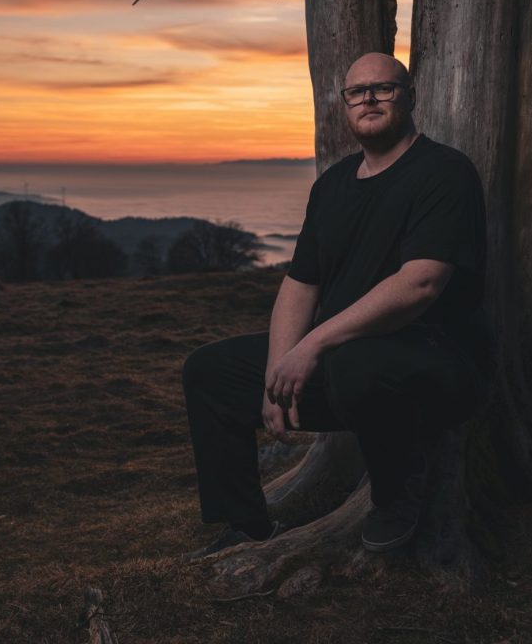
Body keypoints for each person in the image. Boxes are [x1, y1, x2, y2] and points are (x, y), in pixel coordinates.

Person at [182, 52, 490, 557]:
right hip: (349, 368)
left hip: (438, 366)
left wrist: (312, 346)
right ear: (345, 105)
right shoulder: (332, 186)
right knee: (210, 371)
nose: (368, 98)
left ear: (409, 97)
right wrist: (276, 375)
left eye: (383, 88)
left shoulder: (444, 172)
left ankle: (396, 496)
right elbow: (299, 284)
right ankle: (247, 526)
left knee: (352, 359)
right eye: (356, 92)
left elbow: (421, 284)